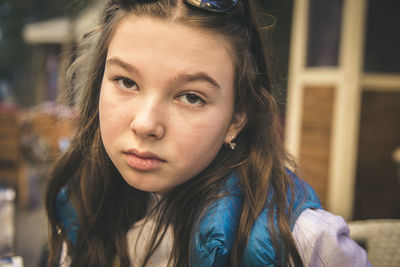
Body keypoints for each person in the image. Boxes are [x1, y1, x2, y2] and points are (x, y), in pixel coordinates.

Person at [45, 0, 371, 266]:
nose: (145, 124)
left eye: (191, 97)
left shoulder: (302, 242)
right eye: (126, 82)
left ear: (236, 119)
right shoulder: (79, 202)